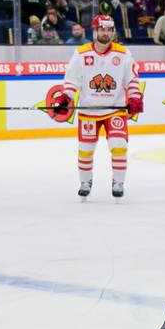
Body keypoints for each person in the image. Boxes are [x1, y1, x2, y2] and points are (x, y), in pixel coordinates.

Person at [52, 14, 143, 199]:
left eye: (109, 30)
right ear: (94, 31)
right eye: (102, 29)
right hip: (88, 111)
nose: (105, 33)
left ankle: (118, 182)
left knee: (119, 145)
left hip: (115, 109)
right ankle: (85, 181)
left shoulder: (123, 53)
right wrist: (65, 98)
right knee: (85, 150)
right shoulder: (82, 53)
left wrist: (134, 98)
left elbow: (132, 79)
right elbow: (72, 80)